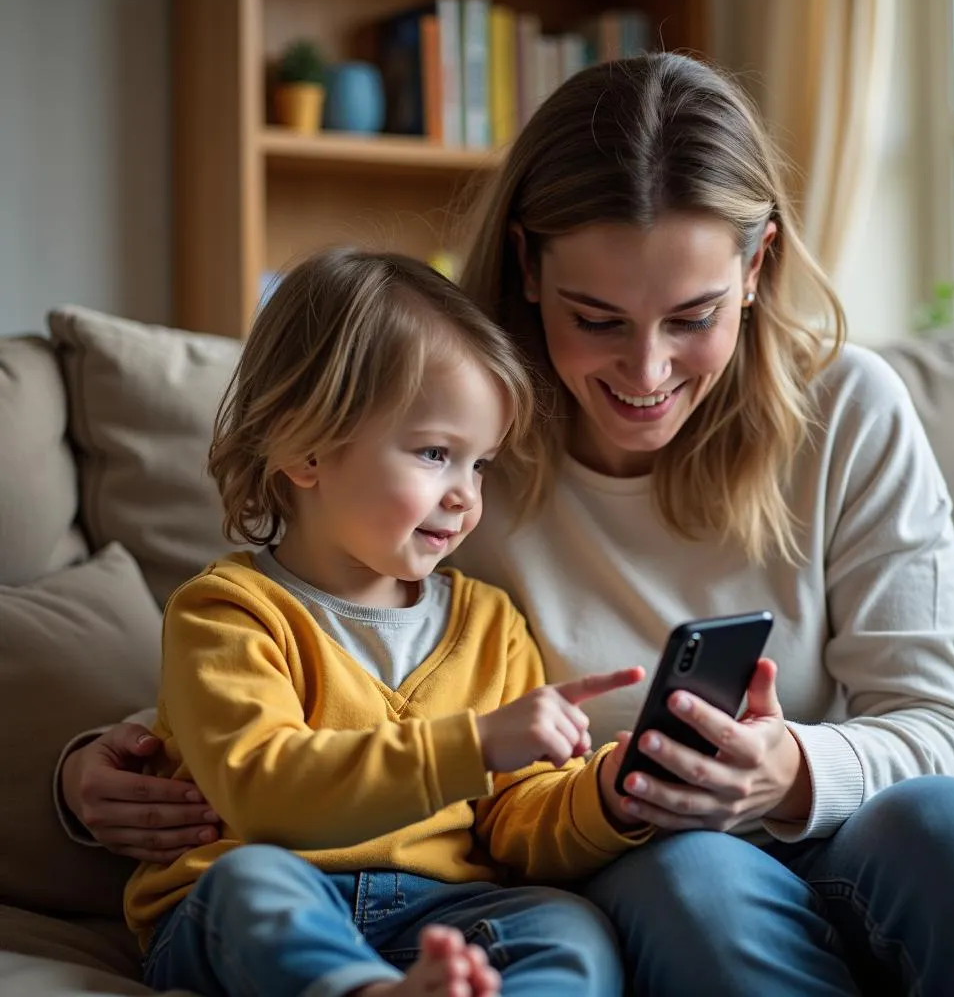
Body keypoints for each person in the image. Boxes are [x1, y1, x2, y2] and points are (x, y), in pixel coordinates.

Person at [59, 54, 954, 996]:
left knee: (951, 826)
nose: (646, 375)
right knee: (699, 881)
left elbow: (946, 727)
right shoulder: (457, 424)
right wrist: (92, 773)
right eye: (597, 319)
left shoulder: (850, 409)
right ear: (526, 262)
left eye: (692, 316)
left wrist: (793, 770)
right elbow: (318, 637)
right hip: (650, 861)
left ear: (756, 264)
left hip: (832, 828)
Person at [117, 248, 651, 997]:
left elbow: (515, 825)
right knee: (250, 886)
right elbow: (265, 793)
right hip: (265, 899)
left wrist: (605, 795)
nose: (466, 496)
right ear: (306, 447)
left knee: (568, 929)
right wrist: (476, 743)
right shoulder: (226, 614)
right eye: (436, 453)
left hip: (441, 906)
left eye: (480, 464)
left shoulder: (491, 624)